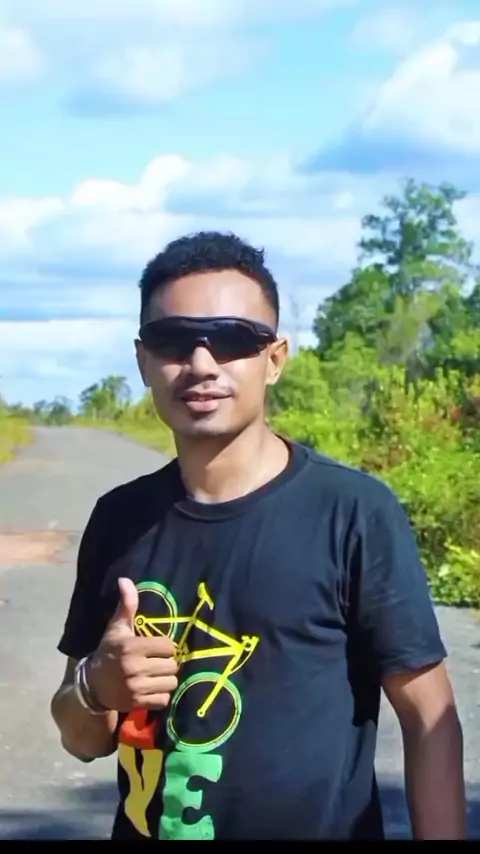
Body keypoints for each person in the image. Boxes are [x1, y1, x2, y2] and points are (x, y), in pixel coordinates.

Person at [51, 231, 466, 841]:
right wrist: (97, 687)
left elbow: (430, 716)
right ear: (142, 360)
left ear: (275, 359)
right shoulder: (119, 518)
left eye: (232, 339)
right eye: (173, 340)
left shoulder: (351, 511)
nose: (201, 364)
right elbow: (81, 738)